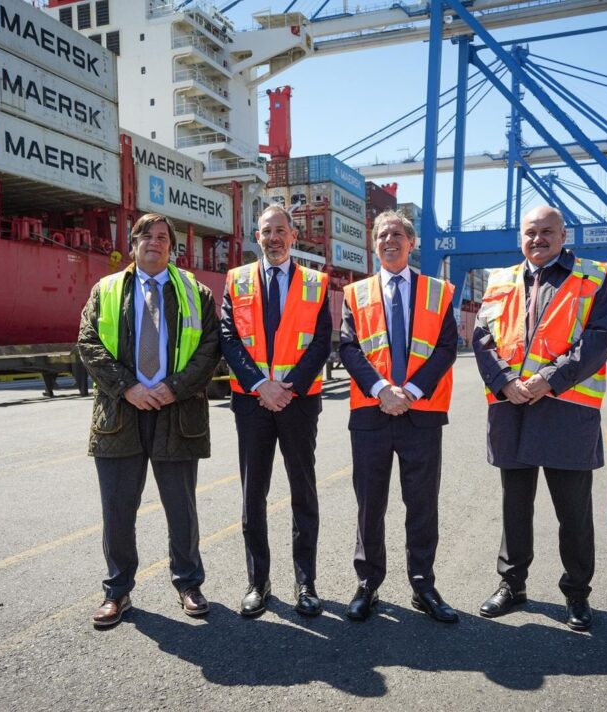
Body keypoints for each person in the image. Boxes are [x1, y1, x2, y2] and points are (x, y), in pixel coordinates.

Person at [472, 205, 607, 631]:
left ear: (564, 234)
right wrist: (505, 383)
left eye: (547, 231)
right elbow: (482, 339)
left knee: (573, 513)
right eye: (530, 232)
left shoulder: (593, 277)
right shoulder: (499, 282)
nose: (538, 239)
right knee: (514, 508)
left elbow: (598, 340)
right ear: (520, 237)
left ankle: (576, 594)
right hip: (511, 408)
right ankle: (511, 585)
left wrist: (546, 381)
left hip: (566, 410)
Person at [77, 213, 221, 629]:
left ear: (172, 248)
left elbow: (210, 347)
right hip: (121, 412)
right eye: (147, 236)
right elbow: (87, 342)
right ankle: (117, 592)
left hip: (177, 411)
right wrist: (128, 387)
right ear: (134, 242)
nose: (154, 243)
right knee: (118, 508)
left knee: (182, 507)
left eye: (163, 238)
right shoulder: (105, 290)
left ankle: (189, 583)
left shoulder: (196, 292)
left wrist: (174, 387)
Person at [339, 210, 459, 623]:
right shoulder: (356, 293)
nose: (388, 240)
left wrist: (408, 391)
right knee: (369, 505)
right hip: (371, 412)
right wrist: (381, 390)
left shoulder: (438, 291)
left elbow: (446, 348)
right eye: (381, 235)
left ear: (411, 243)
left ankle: (423, 584)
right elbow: (349, 348)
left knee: (421, 504)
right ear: (374, 246)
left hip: (420, 412)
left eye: (396, 234)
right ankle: (367, 584)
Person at [219, 205, 332, 618]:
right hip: (252, 403)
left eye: (281, 230)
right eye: (267, 231)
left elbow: (322, 342)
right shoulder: (238, 279)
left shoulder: (316, 283)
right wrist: (259, 385)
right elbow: (228, 338)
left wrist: (288, 387)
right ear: (257, 235)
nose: (274, 238)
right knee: (253, 495)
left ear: (294, 236)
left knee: (303, 493)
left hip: (298, 403)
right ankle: (258, 582)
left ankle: (306, 583)